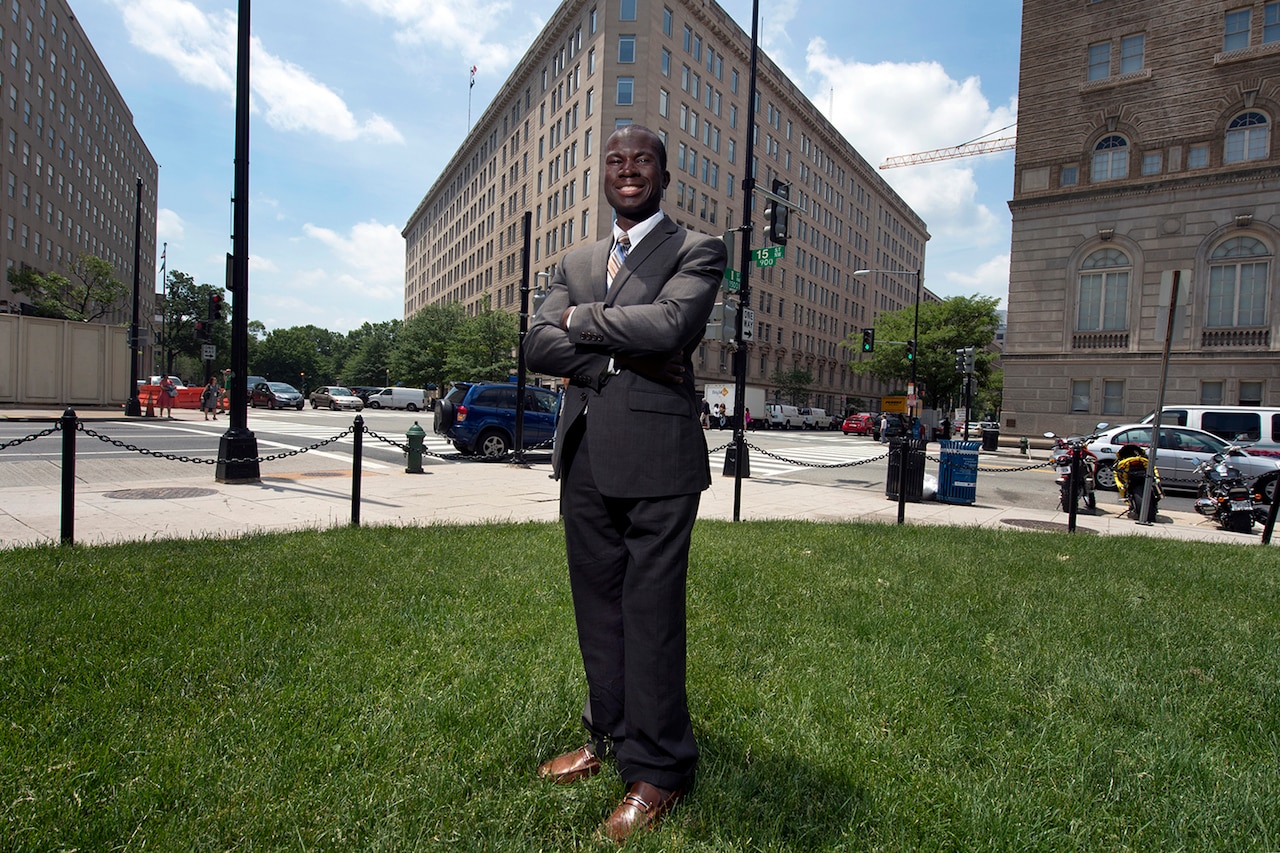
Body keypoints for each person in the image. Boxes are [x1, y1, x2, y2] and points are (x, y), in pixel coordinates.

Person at [524, 124, 727, 843]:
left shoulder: (698, 249)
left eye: (642, 160)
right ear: (602, 176)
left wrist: (579, 322)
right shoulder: (576, 258)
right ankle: (606, 735)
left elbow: (672, 325)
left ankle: (661, 766)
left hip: (659, 461)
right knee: (597, 610)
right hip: (582, 455)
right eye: (615, 161)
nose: (628, 169)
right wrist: (605, 358)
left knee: (649, 612)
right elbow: (534, 343)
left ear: (664, 175)